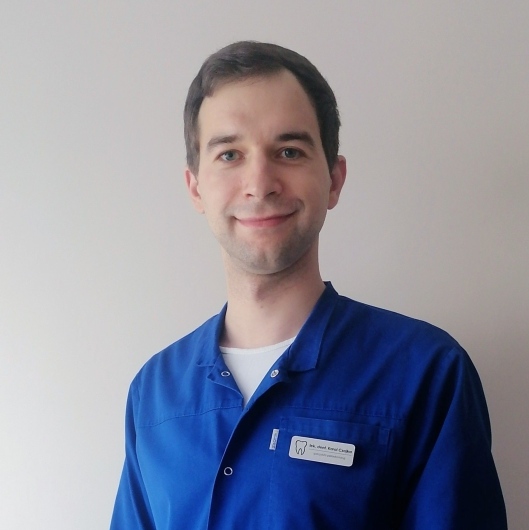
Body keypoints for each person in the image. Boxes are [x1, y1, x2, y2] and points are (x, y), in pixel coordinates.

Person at [110, 41, 507, 529]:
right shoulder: (153, 394)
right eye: (230, 154)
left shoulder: (427, 374)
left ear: (334, 179)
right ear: (196, 187)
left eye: (289, 151)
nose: (260, 182)